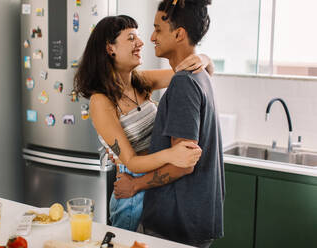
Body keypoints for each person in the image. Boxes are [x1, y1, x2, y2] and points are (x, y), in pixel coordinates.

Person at [74, 15, 213, 231]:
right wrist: (171, 154)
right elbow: (130, 161)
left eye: (137, 37)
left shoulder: (141, 80)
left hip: (155, 183)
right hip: (132, 190)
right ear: (110, 48)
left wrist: (204, 59)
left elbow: (190, 74)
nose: (140, 43)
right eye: (131, 38)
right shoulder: (101, 101)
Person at [113, 1, 224, 247]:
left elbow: (183, 163)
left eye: (157, 30)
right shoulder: (199, 74)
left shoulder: (184, 82)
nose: (151, 37)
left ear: (179, 34)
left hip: (176, 222)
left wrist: (135, 185)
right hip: (192, 218)